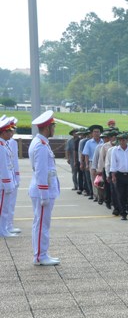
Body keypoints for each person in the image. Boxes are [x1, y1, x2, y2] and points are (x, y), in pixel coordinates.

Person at [28, 111, 61, 265]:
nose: (54, 129)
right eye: (53, 126)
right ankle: (41, 256)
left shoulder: (41, 143)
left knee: (40, 223)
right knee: (42, 224)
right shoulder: (40, 146)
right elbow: (41, 171)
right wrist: (44, 194)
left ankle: (41, 254)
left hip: (43, 189)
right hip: (43, 190)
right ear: (48, 127)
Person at [110, 133, 128, 220]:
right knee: (121, 195)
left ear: (127, 140)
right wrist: (113, 175)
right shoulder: (115, 150)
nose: (122, 141)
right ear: (119, 141)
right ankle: (123, 213)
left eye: (124, 140)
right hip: (120, 175)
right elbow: (113, 163)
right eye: (121, 140)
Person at [0, 117, 21, 236]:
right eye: (9, 131)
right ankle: (3, 230)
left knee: (5, 207)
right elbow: (4, 167)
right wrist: (8, 183)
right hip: (3, 183)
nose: (11, 133)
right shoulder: (1, 147)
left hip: (5, 182)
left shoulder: (4, 145)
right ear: (3, 132)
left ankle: (4, 229)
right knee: (3, 208)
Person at [83, 124, 104, 202]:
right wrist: (87, 164)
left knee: (102, 180)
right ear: (92, 133)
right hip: (92, 163)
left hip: (102, 163)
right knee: (94, 180)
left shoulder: (103, 142)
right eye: (94, 132)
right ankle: (96, 196)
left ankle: (102, 196)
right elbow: (86, 154)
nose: (96, 133)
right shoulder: (89, 142)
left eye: (98, 132)